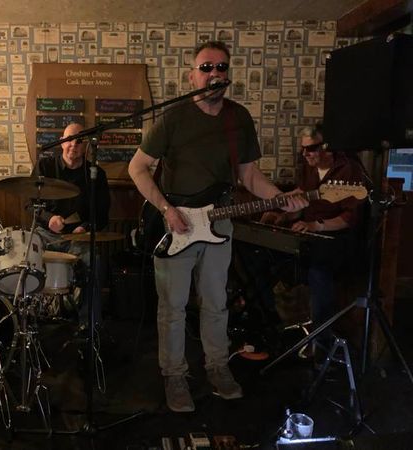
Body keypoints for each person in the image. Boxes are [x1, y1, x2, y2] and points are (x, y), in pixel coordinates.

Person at [128, 41, 307, 412]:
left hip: (219, 222)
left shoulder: (238, 118)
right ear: (192, 76)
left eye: (221, 67)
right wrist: (166, 209)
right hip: (176, 224)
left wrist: (280, 197)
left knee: (216, 303)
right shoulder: (174, 118)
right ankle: (174, 375)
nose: (214, 73)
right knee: (173, 307)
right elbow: (137, 168)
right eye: (206, 67)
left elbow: (249, 176)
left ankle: (218, 367)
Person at [261, 124, 369, 342]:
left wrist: (316, 225)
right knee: (260, 257)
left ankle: (322, 341)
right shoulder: (308, 167)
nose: (305, 154)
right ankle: (269, 326)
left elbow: (350, 218)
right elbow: (302, 200)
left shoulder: (349, 169)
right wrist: (283, 216)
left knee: (318, 272)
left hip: (337, 237)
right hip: (309, 233)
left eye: (310, 149)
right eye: (303, 149)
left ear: (326, 147)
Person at [33, 122, 110, 325]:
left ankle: (89, 325)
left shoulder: (96, 174)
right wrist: (49, 218)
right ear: (61, 142)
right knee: (27, 256)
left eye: (79, 141)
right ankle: (30, 320)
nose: (73, 145)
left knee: (93, 262)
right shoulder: (45, 167)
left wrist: (85, 227)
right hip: (46, 234)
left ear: (85, 146)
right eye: (69, 140)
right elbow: (30, 205)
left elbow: (102, 215)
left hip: (78, 237)